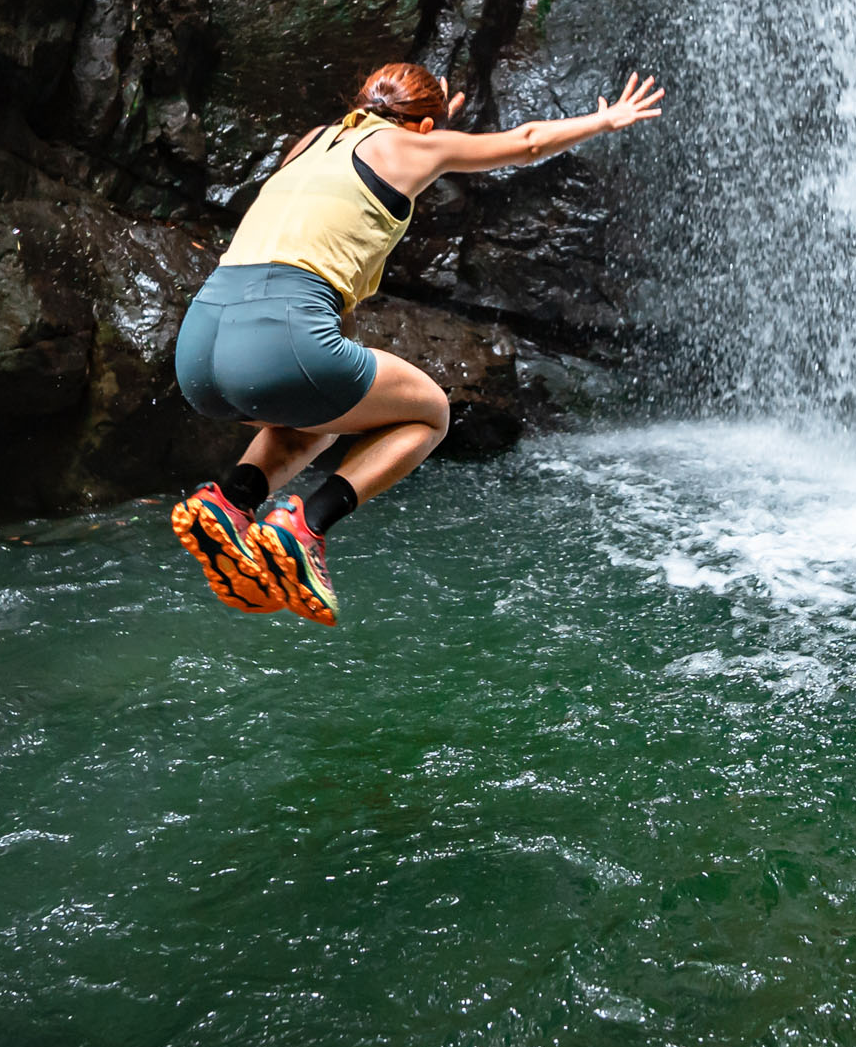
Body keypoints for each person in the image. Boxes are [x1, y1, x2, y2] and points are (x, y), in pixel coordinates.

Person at [168, 61, 666, 625]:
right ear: (425, 127)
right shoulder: (414, 145)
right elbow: (527, 142)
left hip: (199, 350)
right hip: (279, 339)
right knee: (430, 413)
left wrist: (429, 125)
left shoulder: (311, 142)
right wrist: (605, 121)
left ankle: (231, 503)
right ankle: (303, 528)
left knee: (324, 411)